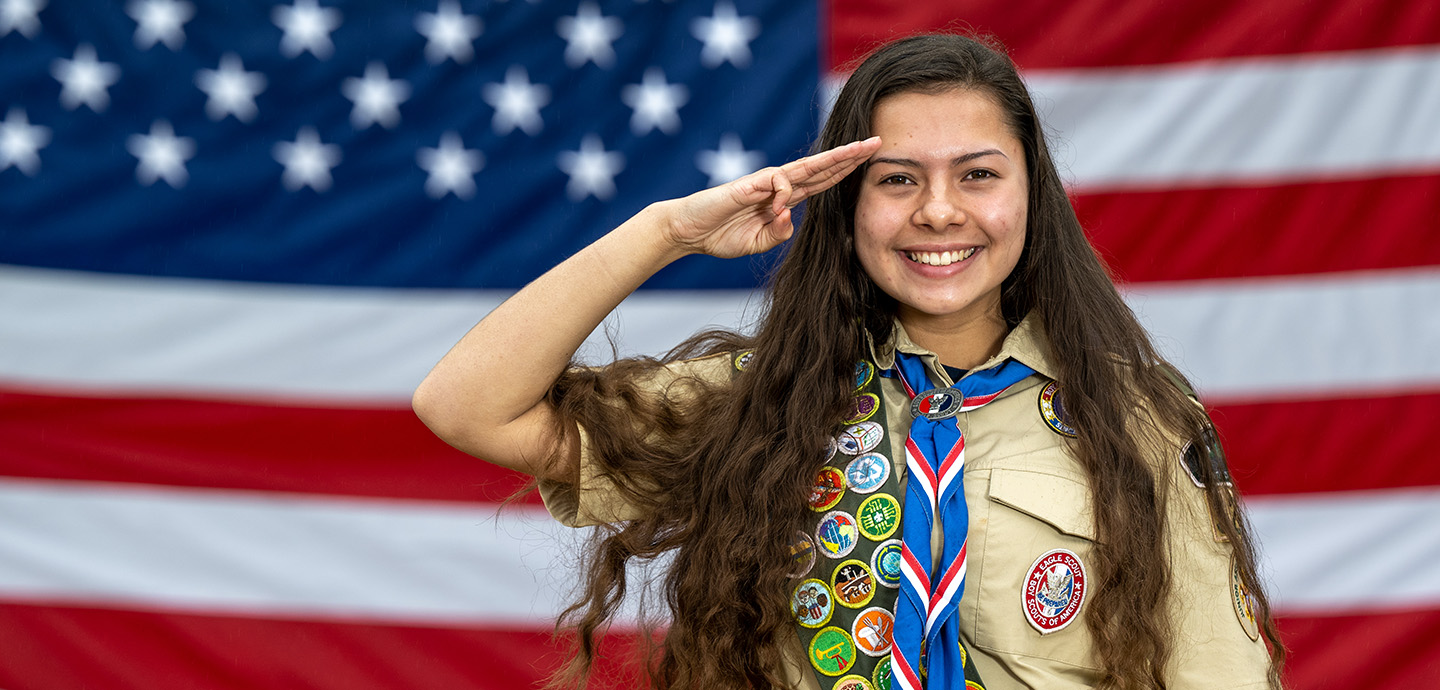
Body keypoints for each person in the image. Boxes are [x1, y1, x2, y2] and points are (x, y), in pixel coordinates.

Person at [413, 33, 1283, 690]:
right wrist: (664, 233)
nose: (940, 212)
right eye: (897, 179)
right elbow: (466, 405)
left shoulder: (1133, 418)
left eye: (978, 174)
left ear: (1031, 196)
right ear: (849, 205)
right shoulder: (760, 403)